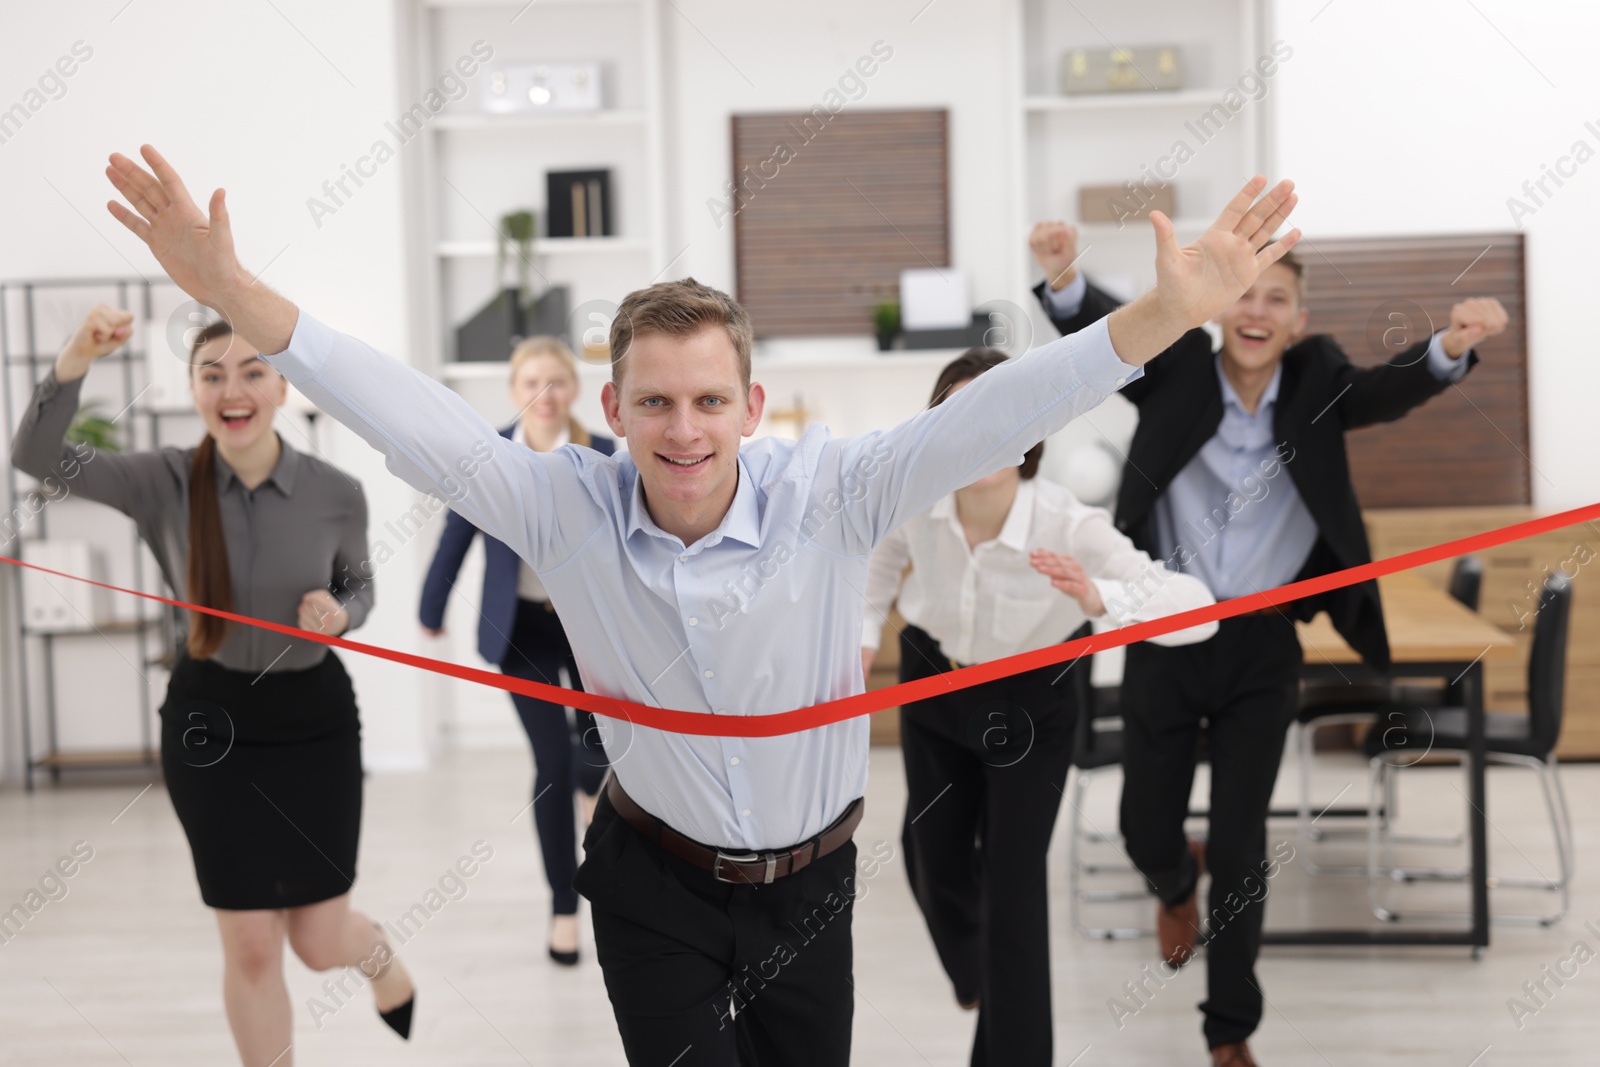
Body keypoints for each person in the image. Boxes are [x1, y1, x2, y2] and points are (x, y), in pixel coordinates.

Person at [101, 143, 1301, 1067]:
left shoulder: (832, 489)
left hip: (810, 883)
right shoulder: (560, 503)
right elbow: (407, 417)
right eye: (658, 402)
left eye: (709, 401)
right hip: (650, 880)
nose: (685, 430)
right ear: (613, 410)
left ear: (749, 404)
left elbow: (991, 413)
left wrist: (1162, 316)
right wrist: (244, 300)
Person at [1030, 220, 1508, 1067]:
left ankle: (1230, 1029)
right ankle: (1176, 881)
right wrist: (1064, 278)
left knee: (1246, 841)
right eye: (1243, 293)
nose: (1257, 311)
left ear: (1297, 316)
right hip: (1168, 623)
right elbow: (1108, 326)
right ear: (1218, 304)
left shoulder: (1318, 375)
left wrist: (1450, 346)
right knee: (1145, 824)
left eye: (1275, 298)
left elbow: (1386, 389)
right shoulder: (1176, 365)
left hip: (1262, 641)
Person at [11, 306, 414, 1066]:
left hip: (313, 723)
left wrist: (341, 613)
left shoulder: (337, 490)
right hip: (210, 724)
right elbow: (34, 454)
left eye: (253, 370)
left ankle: (382, 959)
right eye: (212, 373)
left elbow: (359, 583)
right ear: (194, 388)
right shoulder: (158, 479)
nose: (233, 389)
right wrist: (75, 355)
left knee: (321, 942)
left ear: (282, 385)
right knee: (254, 946)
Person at [860, 347, 1219, 1066]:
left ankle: (1011, 1039)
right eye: (964, 419)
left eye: (1002, 419)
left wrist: (1102, 599)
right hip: (934, 684)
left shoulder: (1068, 521)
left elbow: (1198, 611)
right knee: (930, 860)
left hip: (1032, 699)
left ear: (1031, 433)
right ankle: (983, 975)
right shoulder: (914, 504)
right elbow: (874, 571)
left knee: (1013, 886)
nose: (984, 438)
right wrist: (862, 642)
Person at [418, 335, 615, 966]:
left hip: (590, 628)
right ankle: (564, 905)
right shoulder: (488, 458)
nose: (544, 394)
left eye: (555, 382)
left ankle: (594, 783)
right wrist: (431, 609)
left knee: (596, 753)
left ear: (574, 390)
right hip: (520, 630)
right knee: (552, 764)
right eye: (531, 383)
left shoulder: (607, 455)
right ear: (514, 392)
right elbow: (457, 532)